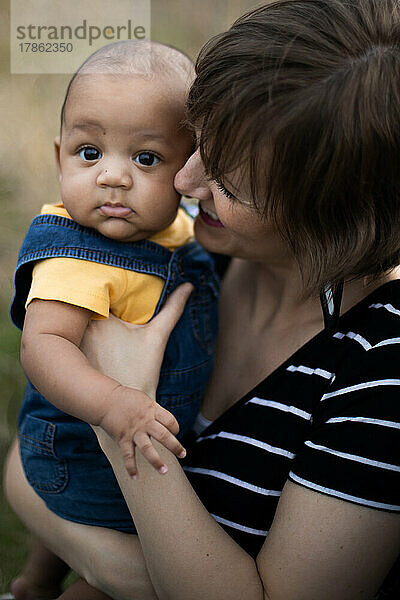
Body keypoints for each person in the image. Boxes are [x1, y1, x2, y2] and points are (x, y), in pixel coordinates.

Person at [4, 0, 400, 598]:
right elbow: (27, 466)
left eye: (229, 182)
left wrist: (123, 417)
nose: (185, 183)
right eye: (197, 143)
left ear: (335, 219)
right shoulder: (184, 251)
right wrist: (113, 568)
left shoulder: (381, 367)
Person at [7, 40, 219, 600]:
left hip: (124, 437)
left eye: (146, 158)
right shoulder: (76, 257)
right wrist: (114, 406)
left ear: (189, 170)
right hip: (86, 444)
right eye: (89, 153)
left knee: (81, 542)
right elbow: (45, 347)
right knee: (122, 575)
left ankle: (33, 582)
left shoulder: (173, 232)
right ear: (59, 157)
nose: (113, 178)